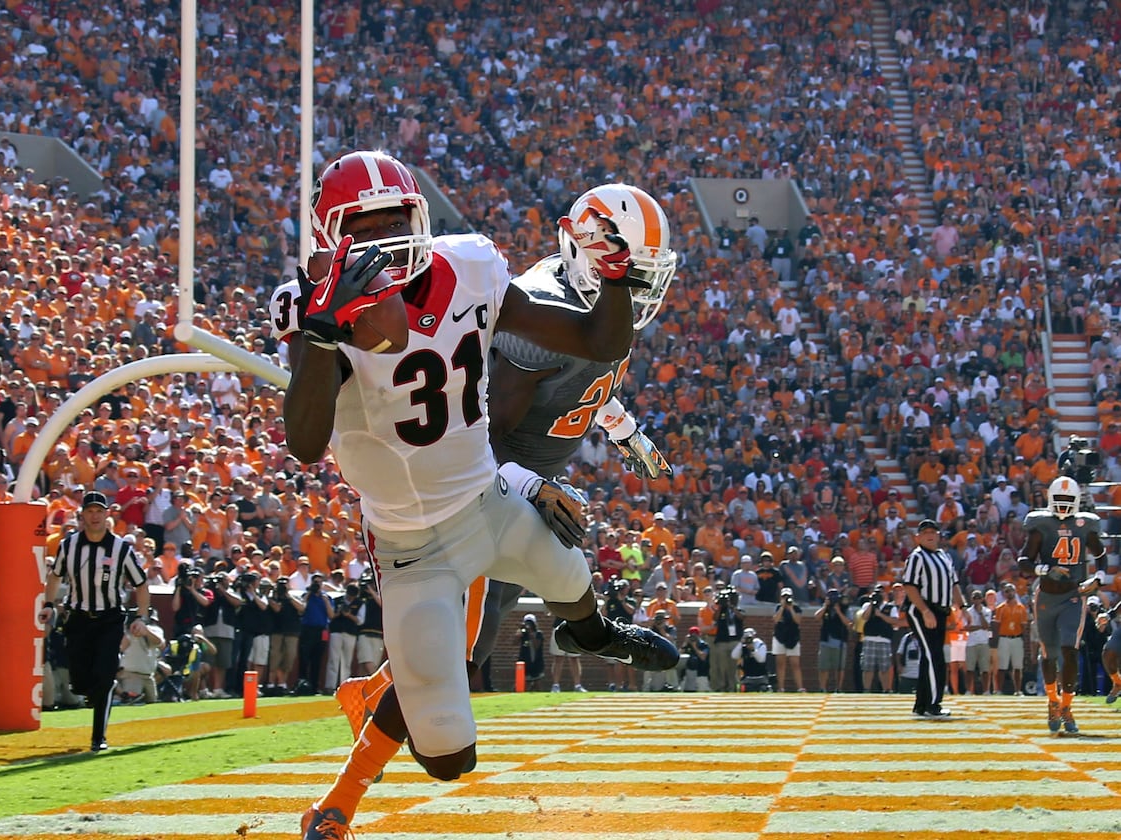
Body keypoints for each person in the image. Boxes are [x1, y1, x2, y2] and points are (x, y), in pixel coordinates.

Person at [284, 152, 676, 838]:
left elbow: (591, 363)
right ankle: (345, 790)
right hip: (455, 504)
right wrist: (321, 335)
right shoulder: (337, 306)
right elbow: (479, 427)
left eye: (641, 272)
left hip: (489, 500)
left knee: (459, 651)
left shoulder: (486, 274)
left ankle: (364, 737)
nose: (386, 241)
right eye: (626, 268)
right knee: (444, 694)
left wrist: (626, 429)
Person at [38, 490, 150, 752]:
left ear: (107, 514)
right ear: (83, 515)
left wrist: (141, 616)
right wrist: (48, 605)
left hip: (109, 619)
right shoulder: (69, 545)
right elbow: (55, 576)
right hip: (78, 619)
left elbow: (141, 584)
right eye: (90, 511)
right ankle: (98, 689)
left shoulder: (121, 547)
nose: (95, 516)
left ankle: (98, 736)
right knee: (79, 681)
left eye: (100, 511)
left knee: (104, 674)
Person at [1017, 475, 1107, 734]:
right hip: (1046, 596)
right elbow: (1024, 561)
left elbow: (1101, 556)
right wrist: (1045, 569)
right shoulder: (1040, 525)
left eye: (1069, 500)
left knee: (1070, 650)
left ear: (1077, 501)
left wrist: (1098, 578)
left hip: (1073, 596)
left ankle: (1066, 706)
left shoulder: (1083, 525)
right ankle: (1052, 700)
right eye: (1060, 500)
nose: (1064, 506)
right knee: (1048, 655)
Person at [900, 519, 965, 719]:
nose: (929, 535)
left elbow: (954, 583)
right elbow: (909, 586)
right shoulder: (917, 557)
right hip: (921, 609)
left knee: (930, 656)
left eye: (933, 531)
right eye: (925, 532)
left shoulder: (943, 556)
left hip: (940, 611)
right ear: (917, 537)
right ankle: (933, 704)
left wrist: (962, 606)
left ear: (938, 535)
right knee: (934, 656)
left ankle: (922, 704)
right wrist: (925, 611)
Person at [993, 582, 1030, 695]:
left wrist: (1026, 642)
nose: (1009, 593)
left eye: (1011, 591)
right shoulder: (1000, 608)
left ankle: (1018, 690)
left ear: (1015, 592)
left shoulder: (1021, 608)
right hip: (1004, 638)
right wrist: (995, 640)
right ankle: (999, 690)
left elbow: (1024, 626)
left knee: (1017, 666)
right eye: (1006, 591)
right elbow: (997, 625)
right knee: (1002, 666)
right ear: (1004, 594)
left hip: (1017, 638)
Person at [772, 587, 805, 692]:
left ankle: (800, 687)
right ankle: (781, 687)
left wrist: (790, 608)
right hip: (779, 637)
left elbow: (798, 621)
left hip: (793, 638)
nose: (786, 599)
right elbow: (776, 620)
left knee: (795, 664)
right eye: (784, 596)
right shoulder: (778, 607)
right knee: (780, 663)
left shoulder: (796, 608)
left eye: (788, 596)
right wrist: (782, 607)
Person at [734, 627, 770, 691]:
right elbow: (734, 656)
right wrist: (741, 643)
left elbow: (761, 660)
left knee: (763, 689)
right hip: (747, 678)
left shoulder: (760, 645)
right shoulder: (743, 646)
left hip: (761, 678)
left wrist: (753, 650)